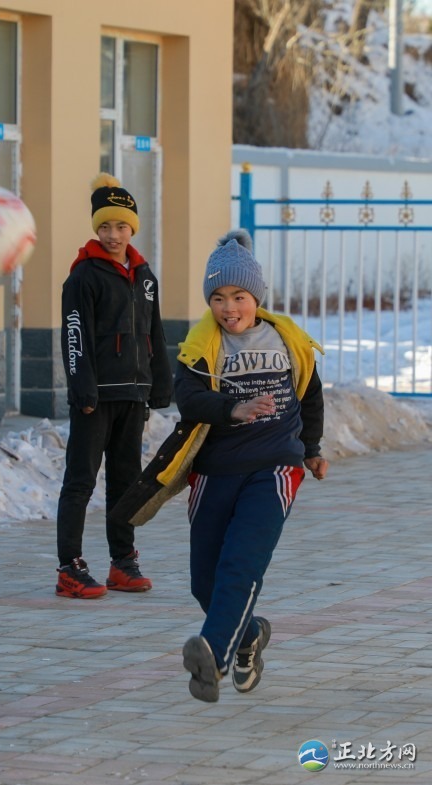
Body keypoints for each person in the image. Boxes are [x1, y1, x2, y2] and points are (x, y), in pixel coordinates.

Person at [174, 228, 329, 702]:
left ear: (256, 297)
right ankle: (250, 636)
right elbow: (188, 399)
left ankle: (213, 657)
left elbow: (310, 393)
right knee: (205, 581)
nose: (229, 308)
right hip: (216, 469)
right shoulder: (201, 343)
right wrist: (232, 409)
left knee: (241, 563)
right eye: (218, 298)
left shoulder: (286, 339)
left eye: (238, 296)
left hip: (275, 466)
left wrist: (311, 448)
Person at [55, 173, 173, 599]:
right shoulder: (83, 277)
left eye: (121, 226)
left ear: (132, 228)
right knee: (81, 481)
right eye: (104, 226)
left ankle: (122, 562)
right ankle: (69, 567)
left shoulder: (145, 276)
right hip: (96, 397)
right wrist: (82, 387)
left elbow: (154, 332)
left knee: (126, 483)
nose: (112, 234)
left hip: (133, 395)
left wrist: (160, 381)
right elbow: (74, 336)